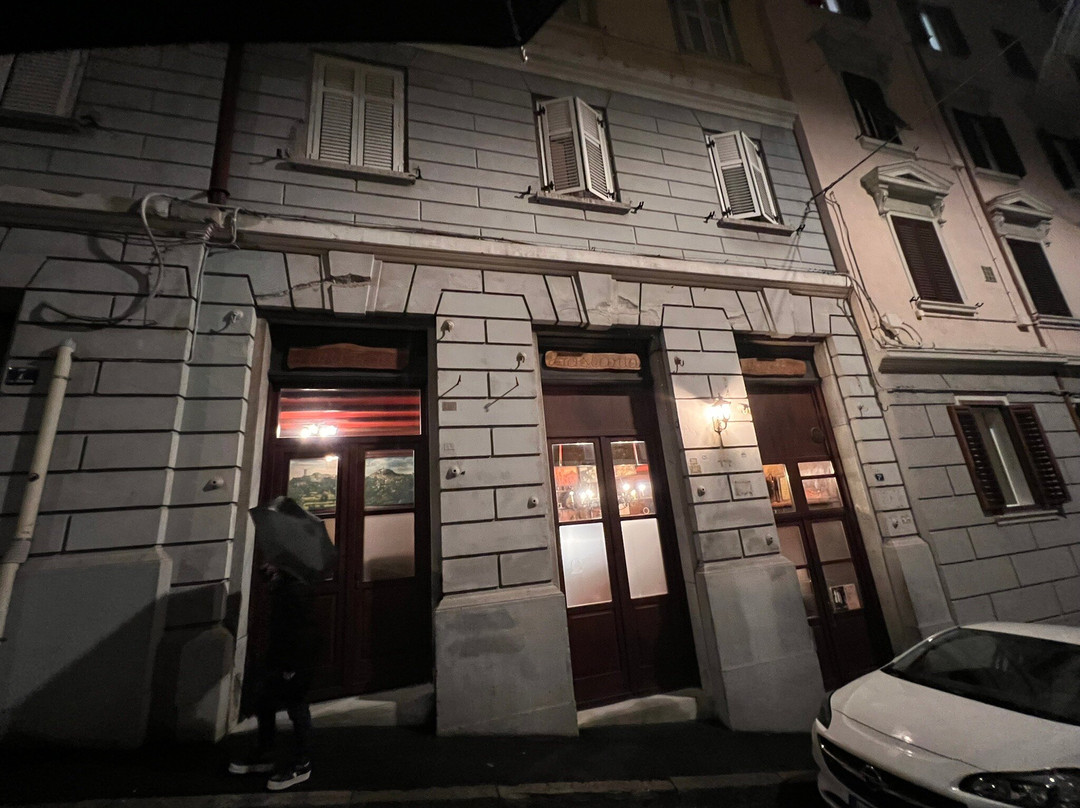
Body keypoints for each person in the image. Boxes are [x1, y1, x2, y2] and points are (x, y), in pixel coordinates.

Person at [229, 560, 317, 790]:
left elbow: (300, 631)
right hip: (278, 658)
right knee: (265, 701)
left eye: (273, 563)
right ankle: (266, 750)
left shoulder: (295, 590)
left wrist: (291, 666)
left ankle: (302, 763)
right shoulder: (283, 586)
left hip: (293, 661)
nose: (267, 565)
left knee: (297, 708)